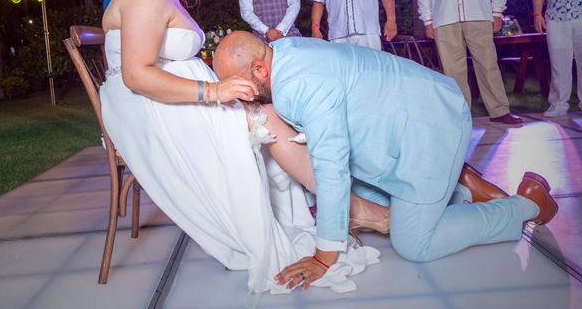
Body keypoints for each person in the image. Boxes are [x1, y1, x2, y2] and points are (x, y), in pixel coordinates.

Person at [99, 0, 386, 294]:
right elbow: (136, 75)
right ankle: (358, 211)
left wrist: (217, 91)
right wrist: (214, 94)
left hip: (170, 104)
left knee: (270, 114)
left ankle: (349, 207)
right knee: (267, 118)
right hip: (152, 111)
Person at [213, 31, 558, 290]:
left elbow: (330, 168)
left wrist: (324, 255)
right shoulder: (283, 51)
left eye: (237, 84)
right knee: (369, 204)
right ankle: (458, 189)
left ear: (259, 68)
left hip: (431, 127)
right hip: (407, 122)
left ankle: (526, 205)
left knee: (414, 244)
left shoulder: (296, 85)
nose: (236, 93)